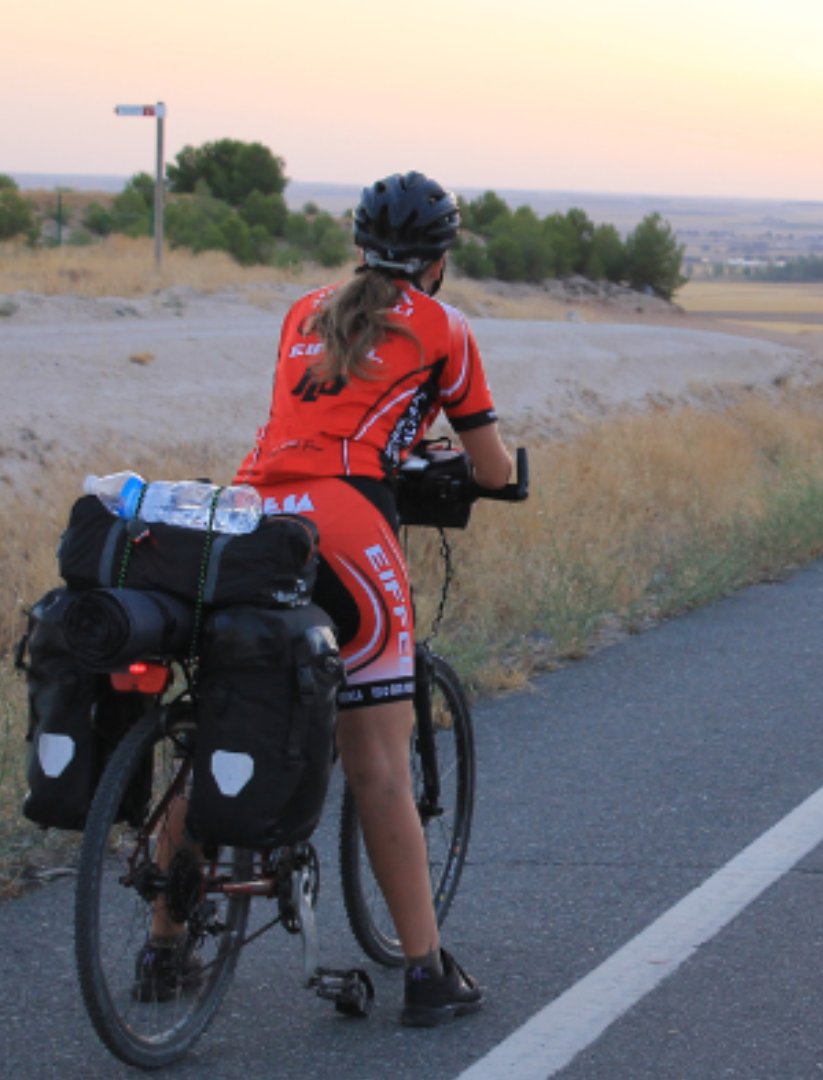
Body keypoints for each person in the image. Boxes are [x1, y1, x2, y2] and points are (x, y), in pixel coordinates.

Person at [139, 172, 512, 1026]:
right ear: (441, 259)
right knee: (379, 761)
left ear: (357, 243)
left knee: (221, 731)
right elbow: (489, 467)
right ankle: (426, 975)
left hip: (242, 517)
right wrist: (470, 472)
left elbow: (311, 417)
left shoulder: (301, 311)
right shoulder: (444, 328)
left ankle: (163, 951)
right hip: (345, 527)